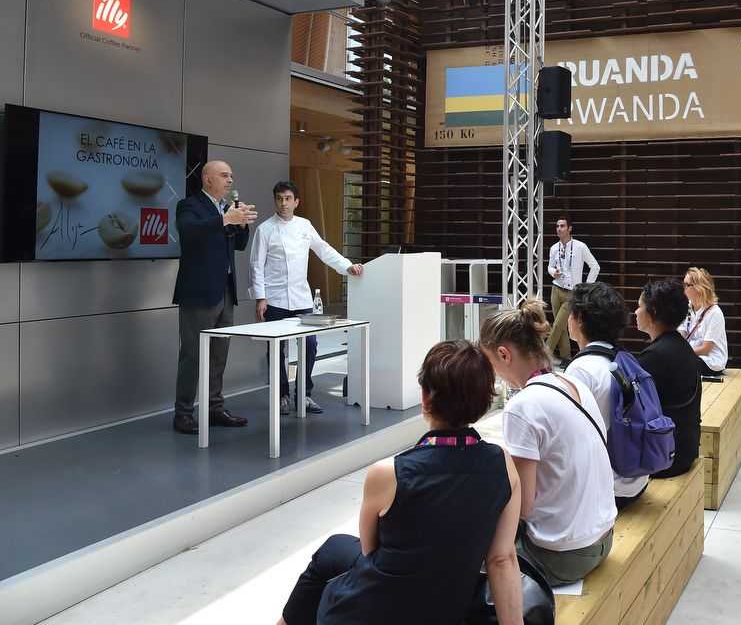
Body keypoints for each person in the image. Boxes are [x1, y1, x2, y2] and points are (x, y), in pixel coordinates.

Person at [278, 341, 523, 625]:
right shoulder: (503, 466)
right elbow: (502, 559)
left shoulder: (388, 474)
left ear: (425, 397)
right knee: (335, 549)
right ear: (484, 401)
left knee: (332, 551)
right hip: (445, 609)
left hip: (370, 613)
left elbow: (369, 550)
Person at [480, 300, 616, 586]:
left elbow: (523, 507)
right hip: (603, 538)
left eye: (491, 364)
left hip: (561, 556)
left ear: (504, 354)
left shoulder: (523, 406)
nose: (494, 374)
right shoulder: (574, 384)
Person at [248, 181, 365, 416]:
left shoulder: (304, 225)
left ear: (296, 202)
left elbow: (324, 250)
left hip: (301, 298)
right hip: (274, 298)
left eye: (288, 199)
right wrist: (260, 297)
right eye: (279, 199)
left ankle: (304, 394)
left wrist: (347, 266)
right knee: (276, 349)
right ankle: (281, 395)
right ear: (275, 201)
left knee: (310, 345)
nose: (283, 203)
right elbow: (256, 265)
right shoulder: (265, 229)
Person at [172, 160, 257, 435]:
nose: (230, 180)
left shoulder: (226, 208)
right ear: (207, 179)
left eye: (231, 175)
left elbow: (240, 245)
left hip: (225, 291)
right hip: (198, 292)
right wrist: (226, 219)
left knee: (219, 355)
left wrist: (241, 224)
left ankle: (214, 408)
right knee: (192, 355)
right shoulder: (189, 205)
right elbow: (189, 232)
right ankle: (183, 414)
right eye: (224, 175)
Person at [564, 282, 651, 508]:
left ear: (579, 319)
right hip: (637, 480)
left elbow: (569, 440)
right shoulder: (623, 358)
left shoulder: (581, 369)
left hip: (609, 490)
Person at [635, 278, 702, 479]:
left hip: (665, 457)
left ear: (653, 312)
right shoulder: (682, 346)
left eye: (640, 306)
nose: (636, 312)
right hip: (686, 447)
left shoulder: (654, 356)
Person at [546, 217, 601, 363]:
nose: (559, 229)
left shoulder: (580, 247)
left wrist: (586, 286)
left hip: (572, 292)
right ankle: (566, 357)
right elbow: (550, 266)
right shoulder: (554, 248)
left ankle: (543, 355)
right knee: (561, 327)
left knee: (558, 325)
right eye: (557, 226)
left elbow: (595, 266)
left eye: (562, 226)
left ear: (569, 228)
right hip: (556, 289)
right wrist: (553, 272)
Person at [679, 267, 728, 376]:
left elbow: (706, 349)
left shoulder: (715, 312)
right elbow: (681, 335)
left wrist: (681, 353)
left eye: (687, 285)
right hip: (691, 355)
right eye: (683, 284)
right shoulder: (687, 307)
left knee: (679, 365)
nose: (683, 288)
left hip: (711, 361)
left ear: (699, 288)